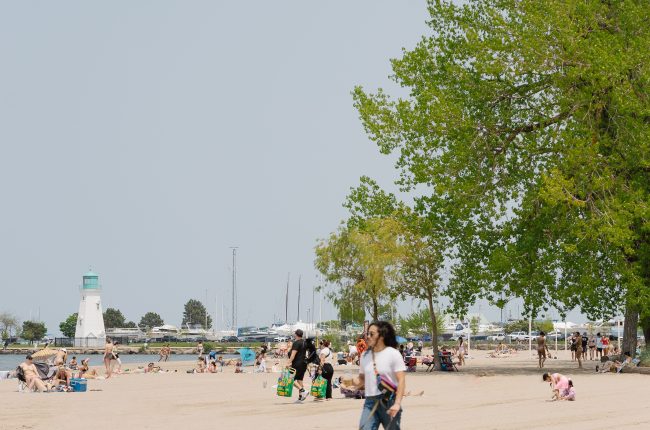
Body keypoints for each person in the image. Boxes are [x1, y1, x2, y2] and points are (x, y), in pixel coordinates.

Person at [350, 321, 406, 430]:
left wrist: (397, 403)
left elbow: (401, 380)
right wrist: (350, 381)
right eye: (367, 334)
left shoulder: (393, 354)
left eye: (372, 334)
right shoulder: (365, 355)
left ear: (381, 336)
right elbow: (361, 379)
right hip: (370, 402)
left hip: (389, 401)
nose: (368, 337)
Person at [287, 329, 308, 401]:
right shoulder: (304, 343)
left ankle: (303, 391)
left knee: (290, 378)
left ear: (296, 334)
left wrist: (288, 363)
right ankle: (301, 397)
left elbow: (293, 355)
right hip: (304, 363)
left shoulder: (296, 343)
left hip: (297, 363)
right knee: (300, 380)